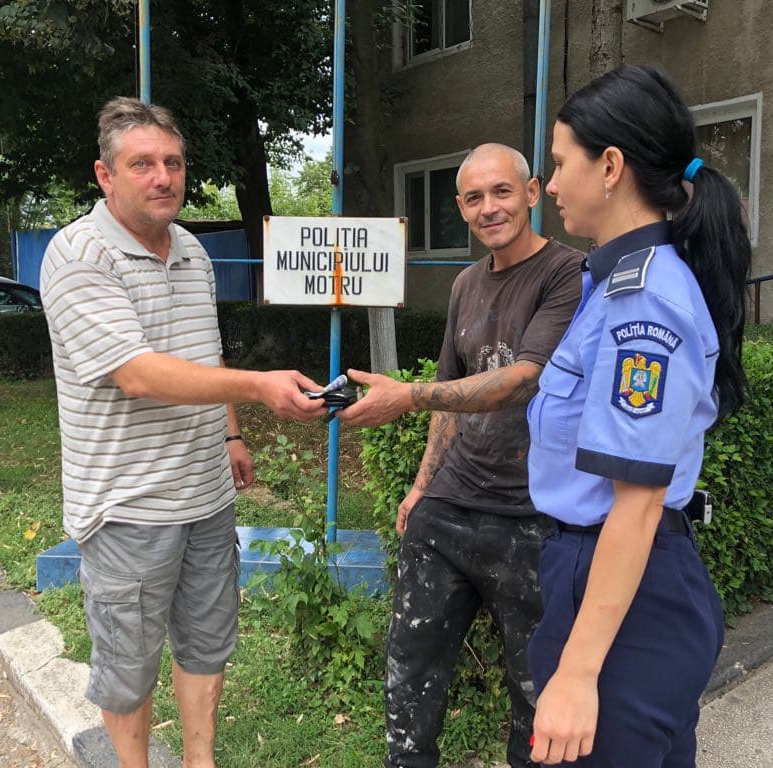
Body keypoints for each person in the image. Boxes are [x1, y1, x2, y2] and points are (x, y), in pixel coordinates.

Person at [40, 97, 326, 768]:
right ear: (106, 175)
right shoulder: (78, 254)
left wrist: (231, 435)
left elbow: (205, 352)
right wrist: (259, 387)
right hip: (129, 507)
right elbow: (136, 373)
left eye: (173, 162)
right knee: (129, 669)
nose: (163, 177)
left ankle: (201, 761)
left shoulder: (193, 250)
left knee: (206, 647)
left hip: (206, 496)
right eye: (142, 164)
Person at [525, 65, 751, 767]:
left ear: (610, 167)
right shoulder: (613, 284)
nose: (551, 185)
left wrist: (577, 673)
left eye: (561, 163)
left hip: (624, 592)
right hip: (612, 581)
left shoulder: (643, 301)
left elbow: (639, 499)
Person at [338, 143, 584, 768]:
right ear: (460, 207)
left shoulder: (567, 274)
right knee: (409, 667)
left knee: (536, 685)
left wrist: (407, 395)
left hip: (531, 515)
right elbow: (453, 396)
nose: (488, 208)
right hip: (449, 507)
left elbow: (524, 378)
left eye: (502, 192)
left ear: (532, 193)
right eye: (474, 198)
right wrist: (423, 486)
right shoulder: (465, 284)